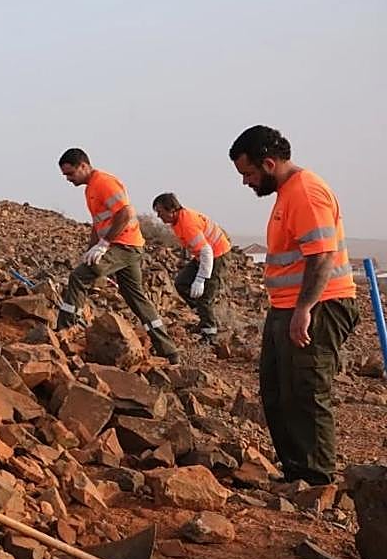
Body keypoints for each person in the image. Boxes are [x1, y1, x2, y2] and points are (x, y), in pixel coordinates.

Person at [230, 125, 358, 485]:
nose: (246, 182)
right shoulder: (286, 194)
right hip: (288, 305)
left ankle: (315, 481)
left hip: (320, 305)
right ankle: (295, 475)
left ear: (269, 164)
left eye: (249, 173)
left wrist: (304, 310)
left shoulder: (306, 192)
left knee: (305, 391)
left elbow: (322, 257)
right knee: (277, 392)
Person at [54, 148, 179, 363]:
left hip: (125, 245)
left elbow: (126, 213)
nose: (68, 179)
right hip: (126, 246)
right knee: (136, 298)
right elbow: (98, 223)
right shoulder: (90, 188)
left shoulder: (103, 182)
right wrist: (91, 249)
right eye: (65, 175)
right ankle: (169, 351)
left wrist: (103, 245)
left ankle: (64, 331)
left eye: (70, 173)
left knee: (79, 276)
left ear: (84, 166)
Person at [152, 193, 232, 343]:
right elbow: (190, 243)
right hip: (202, 256)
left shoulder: (187, 223)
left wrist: (201, 279)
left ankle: (210, 333)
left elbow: (206, 251)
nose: (158, 216)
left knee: (205, 296)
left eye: (160, 212)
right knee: (181, 283)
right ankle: (204, 316)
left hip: (217, 255)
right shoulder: (177, 221)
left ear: (172, 209)